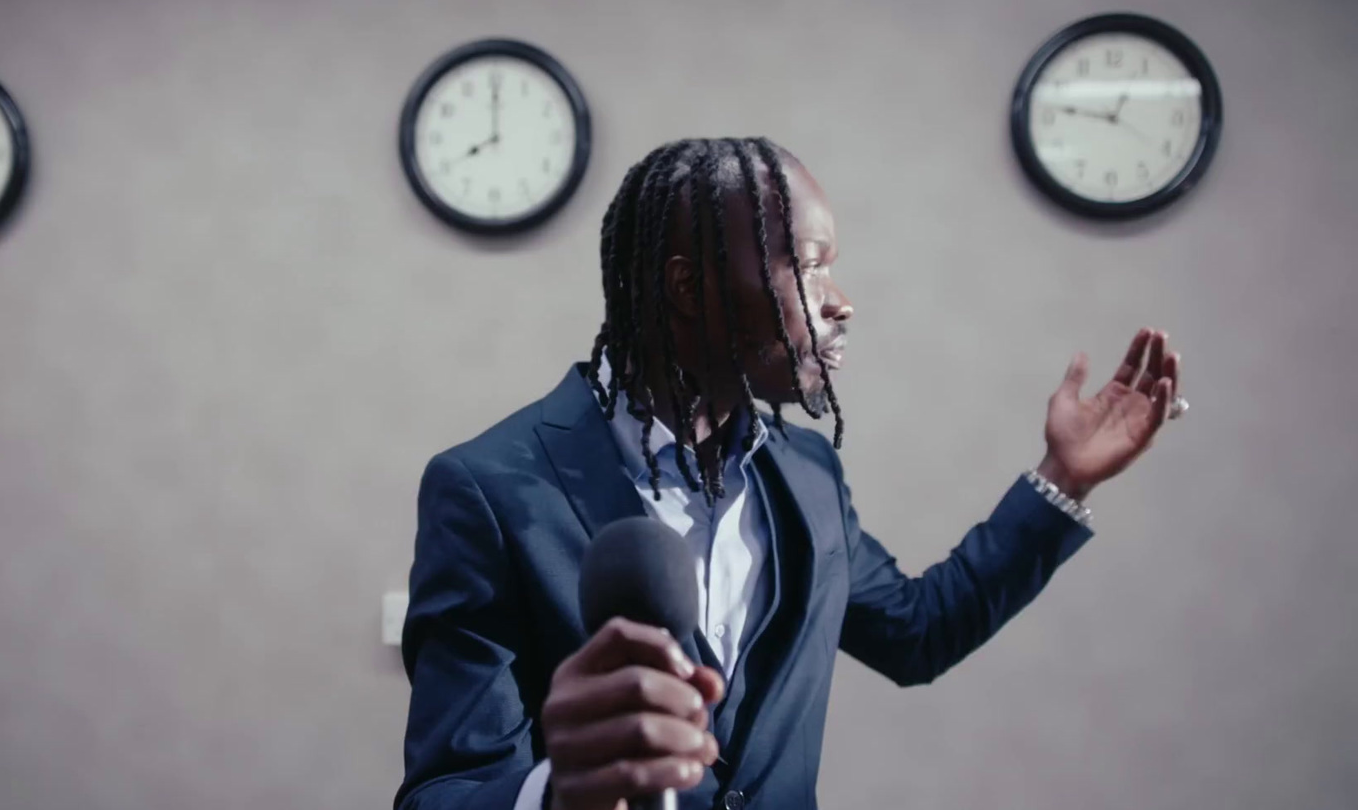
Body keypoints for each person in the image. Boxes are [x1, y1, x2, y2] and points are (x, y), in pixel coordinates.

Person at [395, 138, 1184, 810]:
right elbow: (445, 791)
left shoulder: (805, 470)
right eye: (808, 266)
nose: (842, 303)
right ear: (686, 286)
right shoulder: (490, 489)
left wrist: (1062, 478)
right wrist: (564, 793)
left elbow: (917, 631)